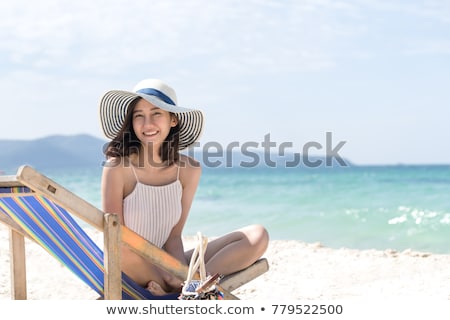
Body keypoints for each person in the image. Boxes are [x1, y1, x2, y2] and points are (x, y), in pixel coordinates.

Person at [99, 78, 269, 295]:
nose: (147, 123)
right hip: (130, 264)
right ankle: (181, 287)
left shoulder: (189, 170)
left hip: (164, 263)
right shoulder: (117, 168)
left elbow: (173, 236)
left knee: (257, 235)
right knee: (120, 247)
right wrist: (169, 271)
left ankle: (189, 286)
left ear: (173, 120)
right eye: (138, 115)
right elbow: (115, 237)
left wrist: (178, 272)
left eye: (156, 113)